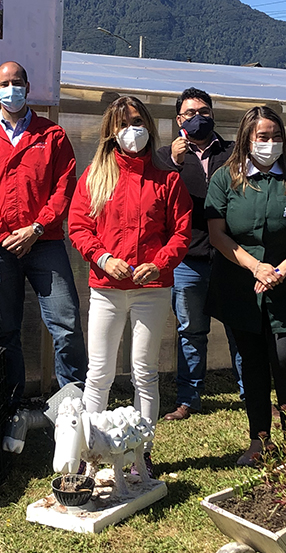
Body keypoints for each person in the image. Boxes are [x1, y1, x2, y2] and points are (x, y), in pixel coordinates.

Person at [68, 96, 193, 476]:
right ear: (111, 131)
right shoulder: (95, 176)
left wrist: (159, 265)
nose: (131, 131)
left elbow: (182, 232)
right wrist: (104, 258)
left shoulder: (167, 178)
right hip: (106, 288)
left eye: (137, 122)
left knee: (145, 372)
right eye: (123, 124)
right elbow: (78, 227)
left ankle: (143, 451)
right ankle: (86, 452)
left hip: (151, 291)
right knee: (99, 373)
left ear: (150, 126)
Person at [205, 106, 286, 467]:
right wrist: (256, 267)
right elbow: (217, 235)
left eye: (276, 136)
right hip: (240, 286)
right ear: (247, 139)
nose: (271, 143)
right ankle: (260, 440)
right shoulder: (225, 179)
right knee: (252, 364)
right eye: (263, 136)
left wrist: (281, 270)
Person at [0, 61, 87, 406]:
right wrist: (2, 234)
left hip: (44, 242)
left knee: (67, 324)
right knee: (5, 330)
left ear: (28, 88)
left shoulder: (52, 135)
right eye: (5, 83)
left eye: (17, 82)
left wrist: (37, 227)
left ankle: (75, 405)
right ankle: (10, 406)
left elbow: (64, 188)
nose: (11, 89)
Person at [156, 87, 244, 421]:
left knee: (240, 329)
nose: (198, 118)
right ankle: (189, 399)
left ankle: (250, 394)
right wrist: (176, 164)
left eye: (204, 112)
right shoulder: (165, 156)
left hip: (232, 257)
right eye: (190, 113)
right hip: (188, 260)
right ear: (179, 120)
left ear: (213, 115)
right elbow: (160, 203)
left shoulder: (234, 153)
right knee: (191, 331)